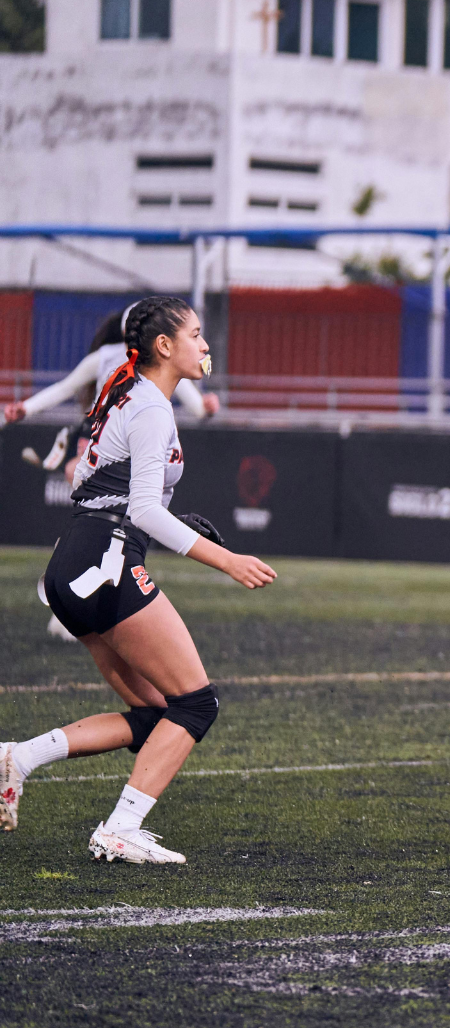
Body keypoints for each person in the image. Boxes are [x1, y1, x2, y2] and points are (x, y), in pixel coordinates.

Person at [0, 296, 274, 862]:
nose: (205, 346)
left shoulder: (129, 391)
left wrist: (167, 521)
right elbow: (143, 511)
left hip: (75, 562)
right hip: (104, 564)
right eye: (196, 335)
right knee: (197, 705)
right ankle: (119, 829)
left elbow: (112, 491)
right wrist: (228, 562)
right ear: (164, 347)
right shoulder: (150, 405)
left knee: (155, 715)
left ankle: (17, 759)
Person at [6, 306, 219, 481]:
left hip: (142, 437)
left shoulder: (166, 365)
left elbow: (199, 409)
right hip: (103, 432)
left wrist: (207, 407)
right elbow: (65, 388)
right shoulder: (105, 358)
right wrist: (26, 408)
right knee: (76, 473)